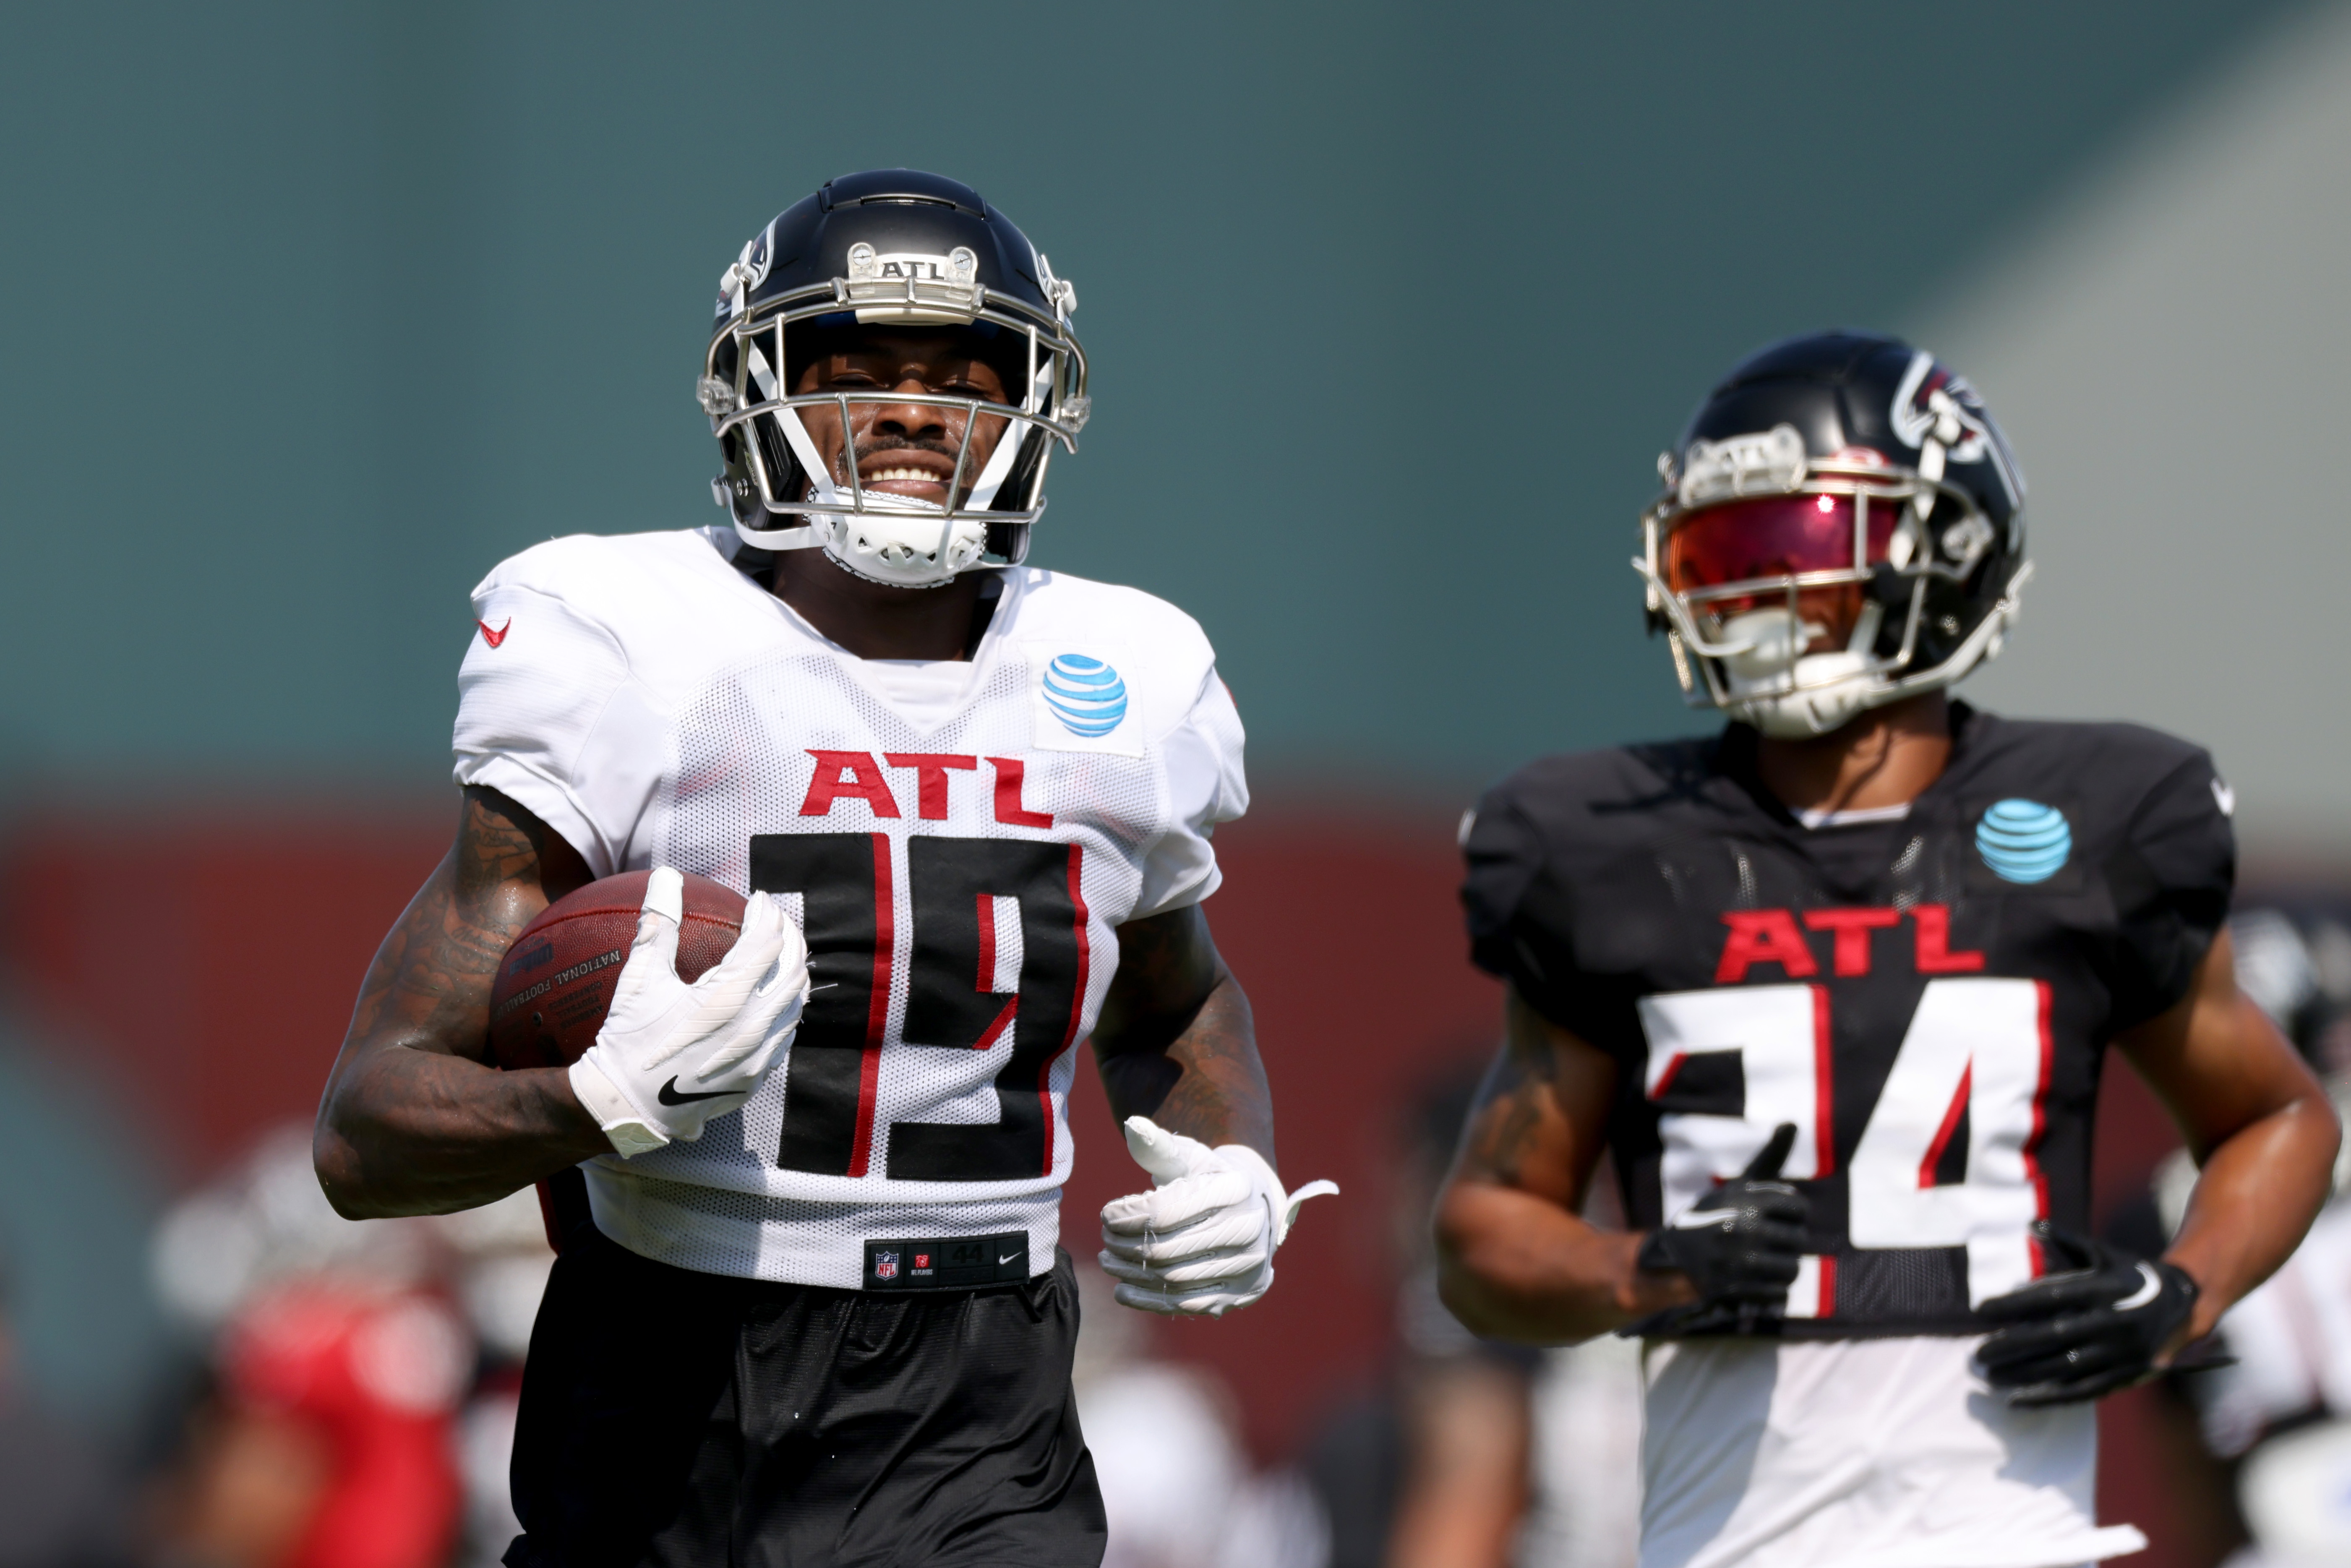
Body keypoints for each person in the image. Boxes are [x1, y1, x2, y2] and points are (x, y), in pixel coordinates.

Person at [313, 169, 1330, 1568]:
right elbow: (364, 1135)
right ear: (757, 392)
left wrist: (1232, 1162)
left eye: (964, 371)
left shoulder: (1127, 674)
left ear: (1041, 407)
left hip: (981, 1399)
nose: (915, 410)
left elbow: (1174, 998)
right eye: (859, 367)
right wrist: (595, 1099)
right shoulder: (627, 644)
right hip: (666, 1362)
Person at [1432, 331, 2342, 1568]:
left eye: (1794, 550)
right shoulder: (1611, 843)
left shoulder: (2101, 815)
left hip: (2006, 1538)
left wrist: (2181, 1288)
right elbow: (1483, 1233)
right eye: (1722, 555)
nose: (1751, 597)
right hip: (1723, 1542)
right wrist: (1639, 1267)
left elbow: (2275, 1117)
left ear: (1949, 547)